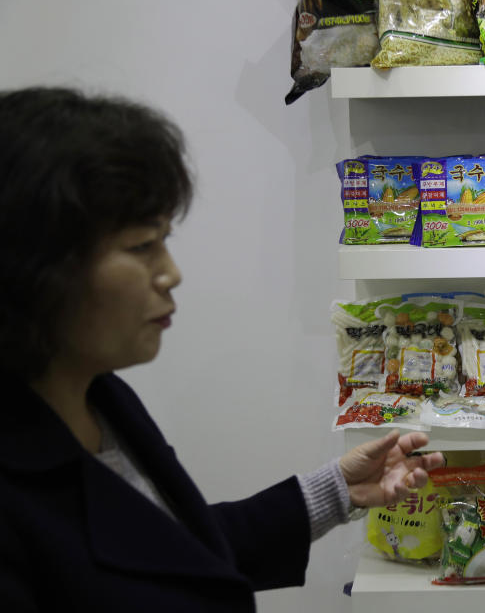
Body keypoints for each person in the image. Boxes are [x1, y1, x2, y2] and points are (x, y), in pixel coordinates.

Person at [0, 87, 445, 612]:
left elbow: (175, 548)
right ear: (35, 264)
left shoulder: (102, 398)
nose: (171, 273)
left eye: (165, 240)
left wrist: (337, 489)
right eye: (143, 246)